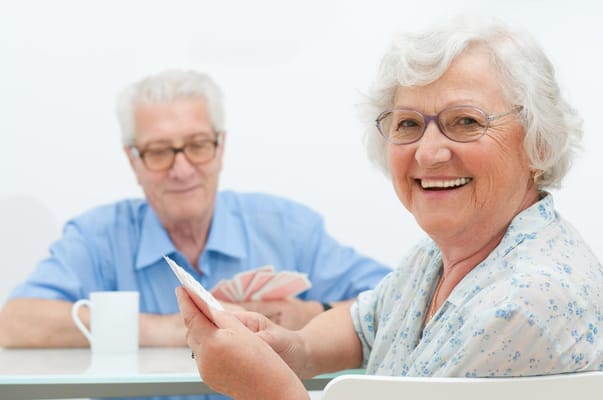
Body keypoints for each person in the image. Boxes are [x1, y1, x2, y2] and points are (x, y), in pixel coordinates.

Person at [174, 17, 603, 399]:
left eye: (466, 121)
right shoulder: (446, 253)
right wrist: (293, 349)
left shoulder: (523, 302)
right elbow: (366, 325)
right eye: (409, 124)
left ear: (538, 142)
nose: (429, 152)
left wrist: (268, 389)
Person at [0, 69, 391, 399]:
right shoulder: (98, 237)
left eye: (198, 146)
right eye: (158, 151)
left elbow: (393, 302)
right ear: (132, 160)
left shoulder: (287, 227)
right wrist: (167, 328)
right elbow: (15, 323)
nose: (182, 169)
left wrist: (308, 315)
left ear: (221, 148)